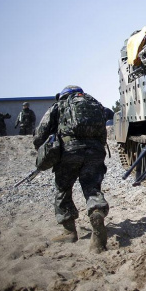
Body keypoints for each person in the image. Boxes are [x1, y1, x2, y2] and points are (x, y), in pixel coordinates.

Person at [33, 85, 109, 253]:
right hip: (95, 151)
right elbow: (103, 133)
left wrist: (44, 150)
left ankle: (69, 232)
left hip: (69, 153)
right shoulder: (95, 105)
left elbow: (40, 134)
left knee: (63, 189)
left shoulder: (58, 106)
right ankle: (96, 212)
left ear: (63, 96)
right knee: (92, 188)